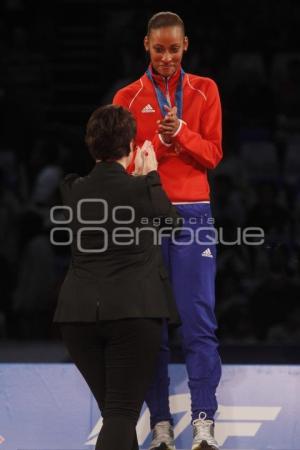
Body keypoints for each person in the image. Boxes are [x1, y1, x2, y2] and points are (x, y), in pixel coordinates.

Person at [113, 11, 223, 450]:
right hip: (144, 216)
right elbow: (121, 163)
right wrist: (158, 143)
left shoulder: (205, 89)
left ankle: (202, 420)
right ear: (146, 45)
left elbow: (213, 154)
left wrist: (181, 132)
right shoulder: (126, 96)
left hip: (193, 214)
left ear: (185, 45)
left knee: (198, 321)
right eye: (158, 49)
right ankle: (160, 422)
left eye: (173, 49)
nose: (166, 58)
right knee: (149, 325)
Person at [53, 104, 181, 450]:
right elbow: (173, 224)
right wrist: (149, 177)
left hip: (77, 318)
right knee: (121, 413)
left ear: (91, 145)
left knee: (116, 415)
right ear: (131, 145)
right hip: (133, 313)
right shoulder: (141, 189)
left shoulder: (72, 188)